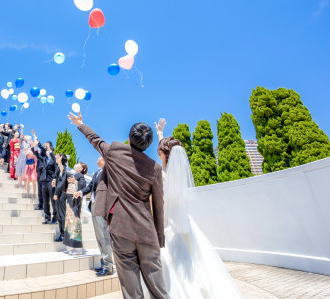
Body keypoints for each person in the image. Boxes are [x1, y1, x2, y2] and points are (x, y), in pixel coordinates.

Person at [68, 111, 169, 299]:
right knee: (158, 290)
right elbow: (158, 204)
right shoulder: (154, 167)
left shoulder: (115, 151)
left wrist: (80, 124)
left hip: (121, 229)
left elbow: (95, 140)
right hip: (147, 232)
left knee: (131, 291)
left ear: (129, 138)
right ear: (147, 145)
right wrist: (159, 236)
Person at [146, 118, 244, 299]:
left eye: (159, 150)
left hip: (167, 225)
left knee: (170, 264)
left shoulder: (161, 175)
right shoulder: (178, 176)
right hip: (184, 224)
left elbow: (155, 201)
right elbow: (166, 149)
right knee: (195, 264)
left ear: (163, 154)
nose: (157, 152)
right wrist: (160, 132)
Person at [74, 156, 113, 276]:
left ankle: (108, 266)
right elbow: (90, 187)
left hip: (102, 207)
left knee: (103, 236)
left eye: (99, 158)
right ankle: (105, 264)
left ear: (105, 160)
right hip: (94, 207)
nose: (97, 160)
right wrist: (80, 192)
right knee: (99, 237)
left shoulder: (108, 171)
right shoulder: (97, 173)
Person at [64, 162, 87, 252]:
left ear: (81, 168)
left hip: (74, 200)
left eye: (79, 165)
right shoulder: (74, 174)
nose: (76, 165)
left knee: (75, 222)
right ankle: (72, 245)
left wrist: (75, 182)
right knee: (70, 222)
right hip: (70, 200)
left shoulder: (80, 175)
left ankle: (77, 247)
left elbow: (83, 185)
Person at [52, 153, 69, 242]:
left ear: (61, 158)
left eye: (58, 156)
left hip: (61, 194)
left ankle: (63, 235)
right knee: (59, 214)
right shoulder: (59, 168)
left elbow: (61, 183)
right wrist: (54, 180)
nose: (56, 157)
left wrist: (56, 193)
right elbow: (57, 179)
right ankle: (62, 233)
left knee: (61, 214)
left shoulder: (63, 168)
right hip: (59, 193)